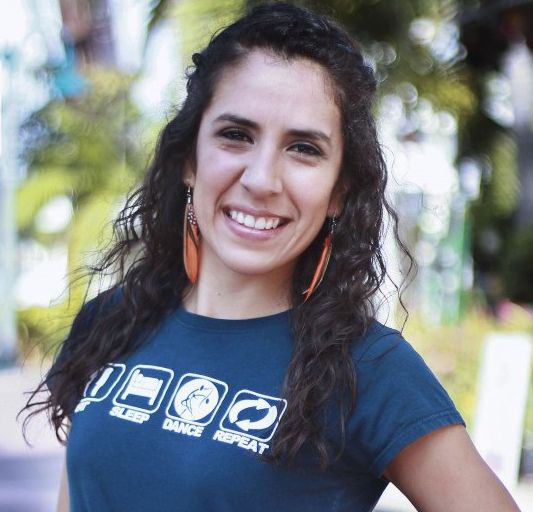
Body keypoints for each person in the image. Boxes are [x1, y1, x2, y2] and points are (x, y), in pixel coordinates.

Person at [23, 2, 520, 511]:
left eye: (303, 148)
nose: (261, 179)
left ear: (339, 191)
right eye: (236, 135)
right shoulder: (111, 321)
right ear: (190, 159)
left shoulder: (366, 368)